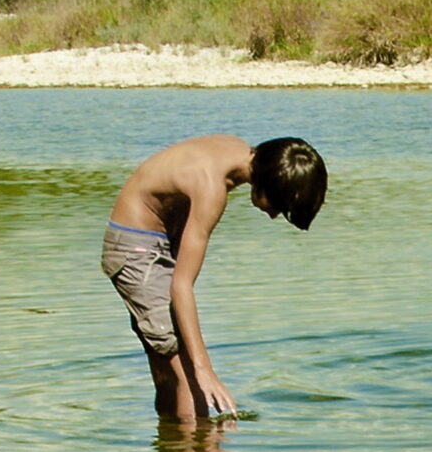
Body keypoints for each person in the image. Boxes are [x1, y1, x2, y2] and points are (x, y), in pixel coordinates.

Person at [102, 135, 326, 422]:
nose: (273, 215)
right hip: (138, 250)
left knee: (169, 372)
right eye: (278, 205)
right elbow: (181, 286)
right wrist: (205, 370)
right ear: (268, 183)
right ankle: (201, 446)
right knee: (191, 380)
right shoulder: (211, 189)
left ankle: (173, 444)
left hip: (151, 239)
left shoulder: (236, 150)